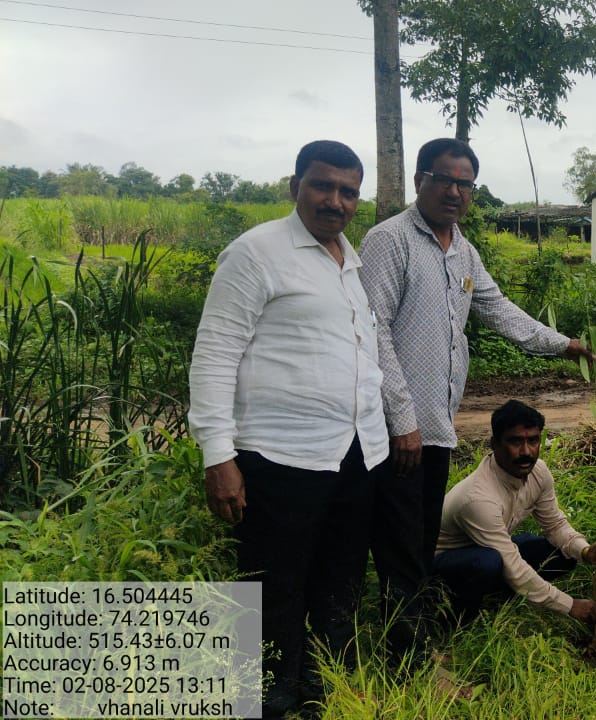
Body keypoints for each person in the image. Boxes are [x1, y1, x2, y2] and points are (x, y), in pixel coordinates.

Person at [358, 138, 592, 650]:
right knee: (400, 542)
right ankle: (406, 653)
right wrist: (402, 420)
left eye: (465, 183)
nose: (454, 191)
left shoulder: (463, 250)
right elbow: (373, 333)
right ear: (419, 180)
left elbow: (499, 309)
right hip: (397, 429)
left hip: (436, 427)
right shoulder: (389, 240)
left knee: (421, 539)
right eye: (443, 179)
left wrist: (563, 344)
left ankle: (424, 630)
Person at [190, 140, 387, 719]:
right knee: (274, 582)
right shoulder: (257, 252)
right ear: (295, 186)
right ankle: (268, 697)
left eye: (348, 191)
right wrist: (217, 455)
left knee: (339, 576)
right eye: (323, 186)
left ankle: (324, 687)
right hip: (279, 455)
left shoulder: (350, 261)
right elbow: (215, 353)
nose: (335, 201)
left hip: (354, 453)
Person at [433, 400, 596, 624]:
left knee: (561, 553)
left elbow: (555, 525)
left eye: (533, 440)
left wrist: (584, 550)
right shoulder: (477, 498)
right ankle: (454, 620)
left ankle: (498, 597)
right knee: (488, 562)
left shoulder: (538, 472)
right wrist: (569, 605)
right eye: (515, 441)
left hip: (492, 548)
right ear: (494, 444)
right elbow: (511, 564)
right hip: (446, 565)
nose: (526, 452)